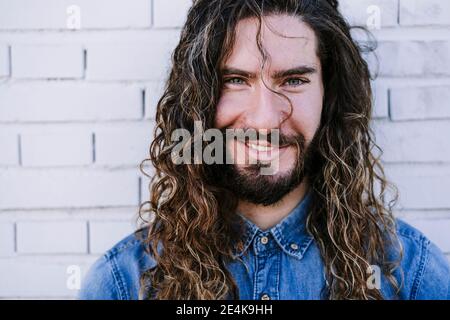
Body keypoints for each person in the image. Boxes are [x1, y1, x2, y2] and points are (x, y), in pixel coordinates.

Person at [79, 0, 450, 300]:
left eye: (294, 80)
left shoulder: (409, 275)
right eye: (236, 80)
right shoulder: (123, 284)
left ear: (329, 96)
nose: (265, 120)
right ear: (198, 100)